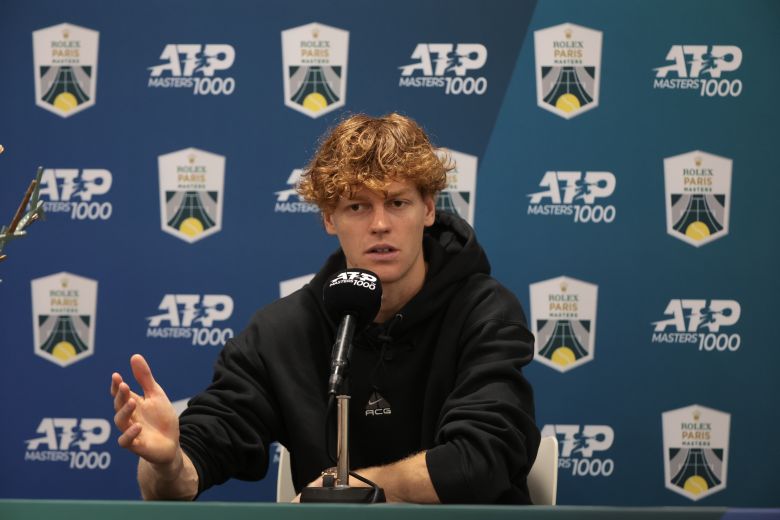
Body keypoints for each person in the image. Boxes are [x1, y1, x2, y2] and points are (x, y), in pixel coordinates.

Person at [111, 113, 540, 504]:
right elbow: (186, 473)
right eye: (357, 206)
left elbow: (483, 460)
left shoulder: (484, 311)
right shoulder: (283, 331)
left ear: (428, 209)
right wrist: (167, 464)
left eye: (397, 202)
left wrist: (350, 490)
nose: (379, 224)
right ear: (329, 219)